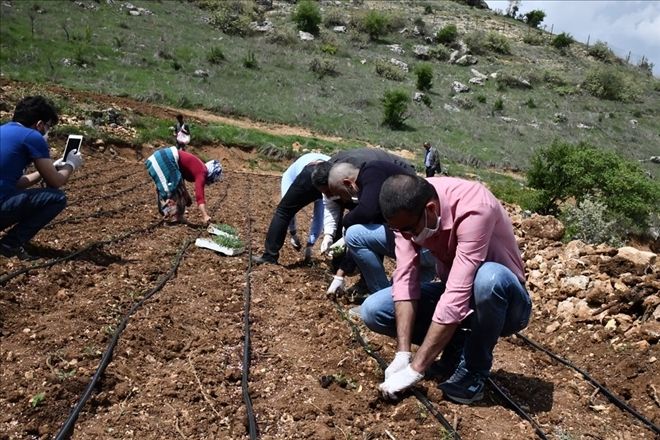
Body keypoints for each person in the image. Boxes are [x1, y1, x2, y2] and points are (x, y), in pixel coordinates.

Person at [362, 174, 531, 404]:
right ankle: (455, 345)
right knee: (374, 310)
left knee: (488, 279)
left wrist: (416, 369)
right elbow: (404, 280)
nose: (407, 236)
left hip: (507, 305)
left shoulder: (474, 207)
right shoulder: (406, 212)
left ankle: (474, 371)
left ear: (431, 210)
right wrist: (403, 353)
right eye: (400, 231)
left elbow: (457, 295)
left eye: (410, 230)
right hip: (459, 293)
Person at [252, 147, 414, 265]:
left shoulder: (365, 174)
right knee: (285, 209)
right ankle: (270, 256)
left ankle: (344, 266)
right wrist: (330, 234)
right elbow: (332, 203)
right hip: (324, 174)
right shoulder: (324, 177)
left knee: (370, 219)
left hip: (386, 176)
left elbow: (365, 212)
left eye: (331, 193)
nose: (329, 196)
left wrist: (342, 235)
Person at [325, 161, 435, 297]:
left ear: (348, 183)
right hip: (432, 250)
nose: (342, 199)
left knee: (354, 234)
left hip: (421, 245)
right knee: (402, 298)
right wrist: (340, 276)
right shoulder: (376, 183)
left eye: (340, 194)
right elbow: (369, 230)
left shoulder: (372, 171)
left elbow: (366, 213)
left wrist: (346, 223)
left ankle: (378, 295)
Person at [0, 96, 84, 260]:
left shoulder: (3, 130)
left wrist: (45, 171)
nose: (47, 132)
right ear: (39, 124)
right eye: (48, 126)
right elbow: (56, 182)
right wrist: (71, 165)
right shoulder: (32, 136)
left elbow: (14, 183)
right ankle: (10, 244)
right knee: (57, 198)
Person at [145, 146, 222, 225]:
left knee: (175, 188)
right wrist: (205, 215)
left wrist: (186, 196)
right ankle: (171, 218)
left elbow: (180, 181)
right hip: (164, 160)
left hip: (161, 158)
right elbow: (200, 196)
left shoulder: (199, 167)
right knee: (170, 190)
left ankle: (176, 216)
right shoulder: (202, 171)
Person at [280, 152, 330, 261]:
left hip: (321, 174)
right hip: (295, 177)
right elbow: (286, 211)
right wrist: (293, 233)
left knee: (321, 211)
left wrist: (310, 245)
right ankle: (293, 235)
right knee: (287, 209)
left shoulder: (331, 176)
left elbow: (320, 216)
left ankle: (309, 245)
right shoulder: (303, 176)